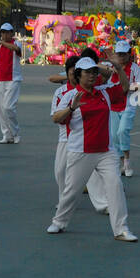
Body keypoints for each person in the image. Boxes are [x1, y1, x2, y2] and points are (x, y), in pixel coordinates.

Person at [47, 55, 137, 242]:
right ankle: (59, 221)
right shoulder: (70, 96)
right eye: (87, 72)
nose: (92, 76)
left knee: (115, 185)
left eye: (94, 72)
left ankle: (121, 229)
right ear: (78, 75)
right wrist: (71, 108)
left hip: (106, 151)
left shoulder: (104, 92)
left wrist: (118, 69)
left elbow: (125, 88)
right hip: (81, 151)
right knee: (72, 190)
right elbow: (56, 118)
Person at [109, 39, 140, 178]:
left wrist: (125, 87)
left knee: (123, 130)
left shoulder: (135, 68)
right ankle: (122, 162)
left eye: (124, 54)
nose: (122, 57)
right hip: (113, 105)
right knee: (114, 135)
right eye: (119, 54)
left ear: (129, 54)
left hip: (129, 104)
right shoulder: (111, 68)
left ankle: (127, 161)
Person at [50, 55, 80, 192]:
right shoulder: (60, 92)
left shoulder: (89, 90)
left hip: (84, 137)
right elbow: (56, 118)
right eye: (72, 73)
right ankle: (64, 200)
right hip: (65, 137)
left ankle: (104, 202)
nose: (74, 77)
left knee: (95, 173)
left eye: (77, 73)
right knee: (60, 171)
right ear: (67, 74)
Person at [0, 24, 24, 144]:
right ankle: (7, 135)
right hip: (1, 80)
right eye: (3, 32)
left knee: (8, 107)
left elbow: (16, 50)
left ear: (12, 33)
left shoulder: (17, 43)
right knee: (0, 109)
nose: (5, 35)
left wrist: (2, 43)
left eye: (7, 32)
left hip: (13, 79)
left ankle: (15, 133)